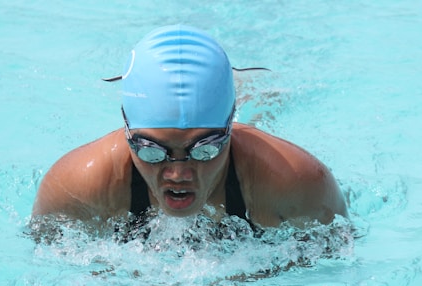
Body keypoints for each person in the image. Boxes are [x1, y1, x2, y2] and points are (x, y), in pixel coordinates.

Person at [31, 25, 348, 230]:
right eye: (151, 150)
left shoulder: (298, 183)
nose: (179, 173)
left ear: (228, 128)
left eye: (205, 148)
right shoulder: (75, 187)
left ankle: (260, 97)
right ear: (126, 129)